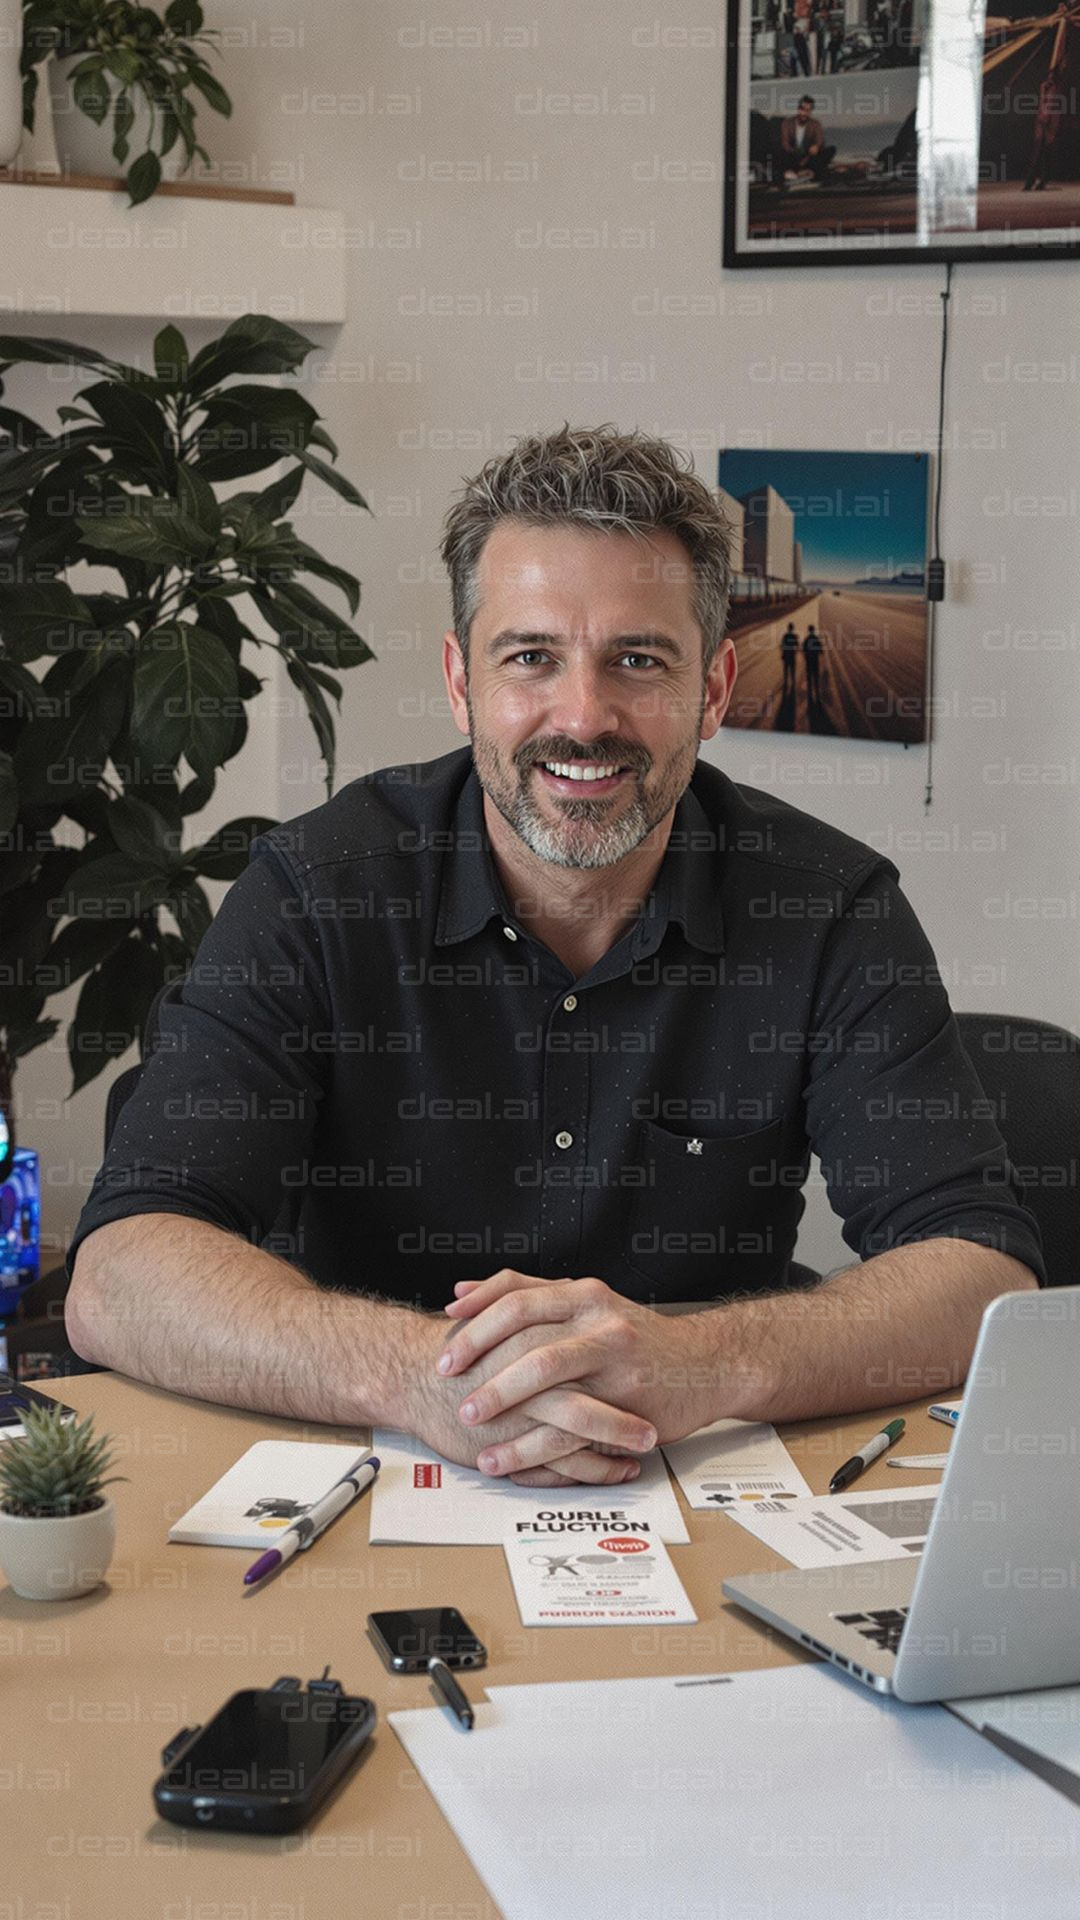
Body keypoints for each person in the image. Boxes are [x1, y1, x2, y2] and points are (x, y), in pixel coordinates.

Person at [65, 425, 1043, 1493]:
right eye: (531, 657)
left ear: (714, 690)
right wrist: (427, 1378)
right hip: (368, 1477)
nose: (584, 717)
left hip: (707, 1475)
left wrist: (701, 1364)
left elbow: (981, 1270)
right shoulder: (317, 890)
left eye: (638, 660)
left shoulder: (829, 909)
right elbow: (119, 1277)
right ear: (461, 682)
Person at [1024, 56, 1068, 191]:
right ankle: (1031, 182)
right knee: (1039, 153)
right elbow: (1044, 104)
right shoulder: (1047, 88)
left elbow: (1051, 107)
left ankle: (1039, 181)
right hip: (1044, 121)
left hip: (1048, 122)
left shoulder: (1055, 88)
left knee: (1045, 153)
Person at [779, 95, 836, 181]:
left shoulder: (815, 124)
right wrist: (797, 156)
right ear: (798, 109)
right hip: (792, 156)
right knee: (779, 153)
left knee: (831, 149)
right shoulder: (787, 123)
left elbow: (820, 140)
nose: (804, 113)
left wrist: (816, 146)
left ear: (811, 111)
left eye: (808, 110)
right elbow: (785, 144)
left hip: (809, 157)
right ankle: (805, 171)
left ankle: (802, 172)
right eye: (802, 109)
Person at [803, 621, 824, 699]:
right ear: (814, 630)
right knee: (815, 676)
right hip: (815, 660)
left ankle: (810, 693)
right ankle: (817, 692)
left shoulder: (807, 639)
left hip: (808, 660)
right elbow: (821, 650)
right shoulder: (816, 639)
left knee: (809, 677)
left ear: (809, 630)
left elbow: (804, 649)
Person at [780, 621, 800, 694]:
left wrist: (783, 653)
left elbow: (782, 645)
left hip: (786, 654)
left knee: (786, 669)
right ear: (793, 628)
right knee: (792, 669)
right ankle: (793, 682)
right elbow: (797, 645)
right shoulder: (794, 636)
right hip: (792, 654)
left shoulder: (785, 636)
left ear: (788, 628)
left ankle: (785, 681)